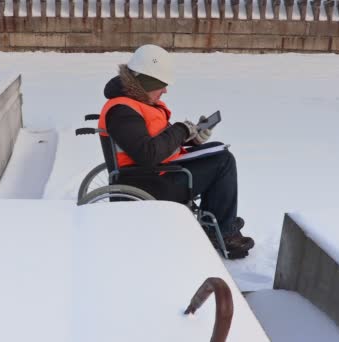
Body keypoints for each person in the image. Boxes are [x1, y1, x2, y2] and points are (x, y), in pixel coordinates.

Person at [98, 44, 254, 259]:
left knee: (217, 153)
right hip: (148, 184)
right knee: (223, 162)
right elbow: (147, 154)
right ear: (145, 82)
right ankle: (223, 231)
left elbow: (157, 142)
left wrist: (193, 139)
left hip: (158, 173)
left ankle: (219, 221)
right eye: (161, 85)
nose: (165, 90)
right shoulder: (122, 111)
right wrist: (180, 130)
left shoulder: (137, 104)